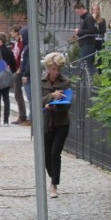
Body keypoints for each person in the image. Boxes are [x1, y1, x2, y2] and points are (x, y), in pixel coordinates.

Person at [41, 52, 73, 199]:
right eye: (54, 69)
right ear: (48, 68)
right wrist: (52, 96)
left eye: (59, 69)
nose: (56, 72)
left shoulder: (65, 82)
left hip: (61, 123)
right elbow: (37, 100)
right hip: (46, 123)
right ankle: (53, 175)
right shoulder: (40, 81)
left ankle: (54, 184)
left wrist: (53, 106)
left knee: (55, 153)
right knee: (46, 155)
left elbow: (67, 104)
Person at [73, 2, 99, 77]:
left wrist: (79, 31)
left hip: (88, 44)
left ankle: (92, 79)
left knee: (87, 63)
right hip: (86, 43)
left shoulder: (88, 17)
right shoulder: (86, 18)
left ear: (81, 9)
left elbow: (91, 31)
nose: (77, 14)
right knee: (86, 63)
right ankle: (89, 79)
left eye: (77, 11)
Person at [9, 26, 28, 124]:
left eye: (12, 31)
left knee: (18, 94)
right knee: (17, 94)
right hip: (15, 70)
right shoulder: (15, 44)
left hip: (19, 71)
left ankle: (22, 116)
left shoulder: (22, 44)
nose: (11, 33)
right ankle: (22, 116)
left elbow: (21, 57)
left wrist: (19, 68)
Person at [19, 26, 32, 126]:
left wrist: (26, 74)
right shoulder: (26, 46)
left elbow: (28, 63)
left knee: (31, 97)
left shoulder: (28, 47)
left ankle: (31, 118)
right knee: (29, 97)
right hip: (25, 74)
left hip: (28, 76)